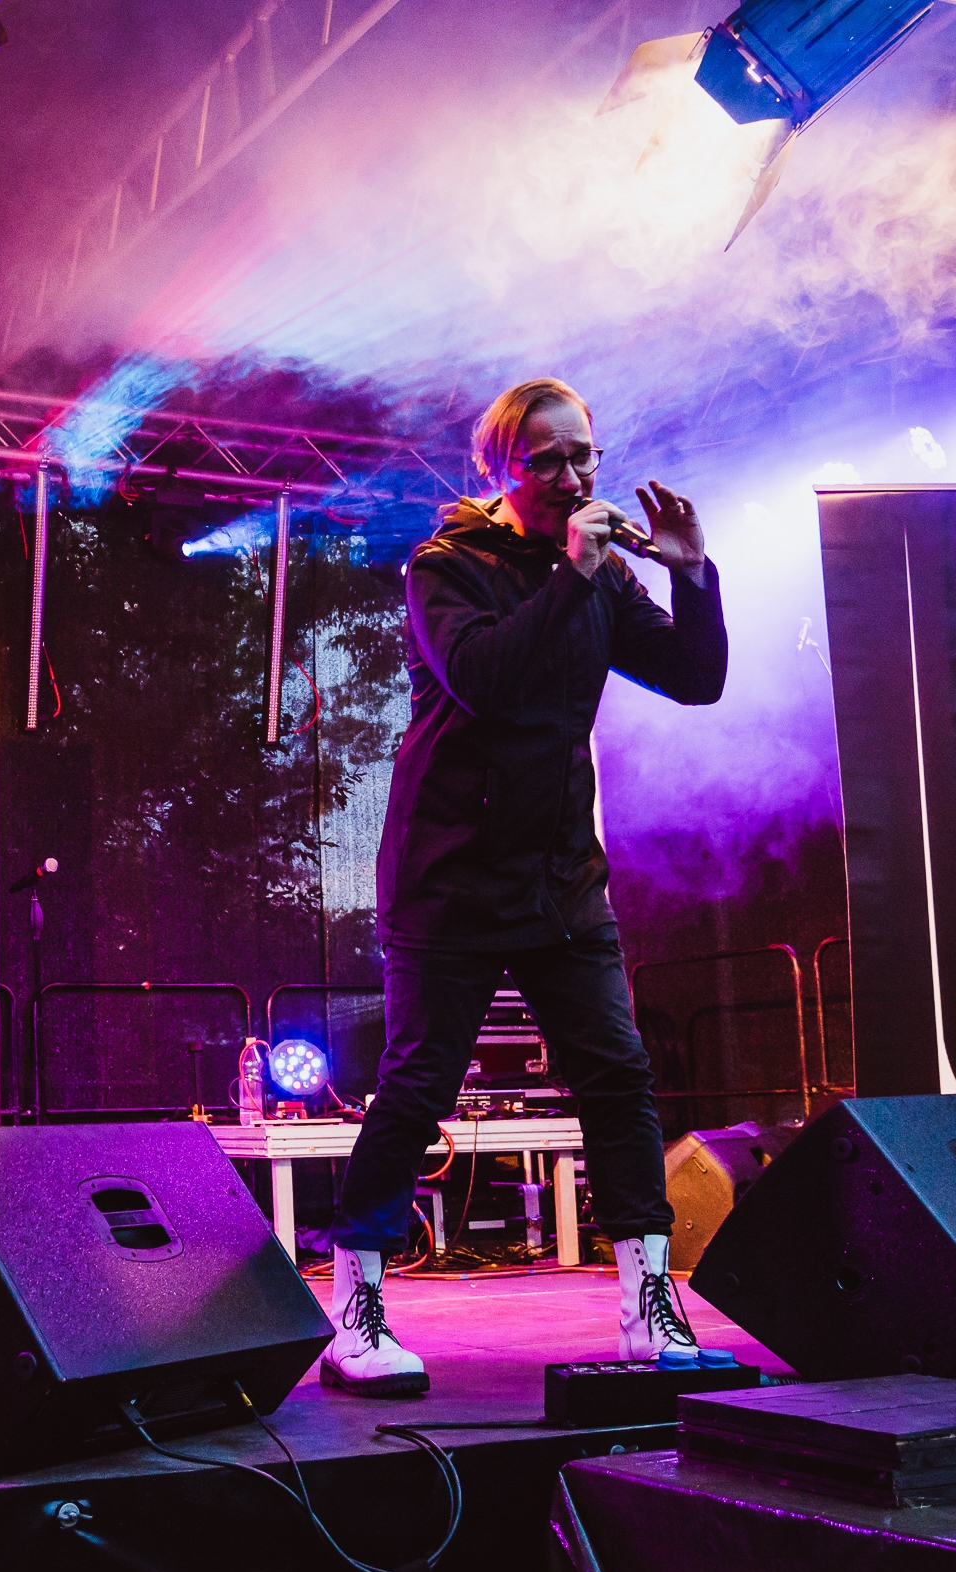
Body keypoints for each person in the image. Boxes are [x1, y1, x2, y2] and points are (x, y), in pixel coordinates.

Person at [321, 378, 731, 1397]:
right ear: (502, 470)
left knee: (618, 1077)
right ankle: (355, 1313)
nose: (571, 476)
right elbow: (485, 679)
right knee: (419, 1086)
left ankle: (647, 1302)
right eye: (546, 459)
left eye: (583, 455)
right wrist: (575, 574)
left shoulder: (601, 576)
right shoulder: (446, 566)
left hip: (560, 878)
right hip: (450, 874)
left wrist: (692, 574)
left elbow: (696, 678)